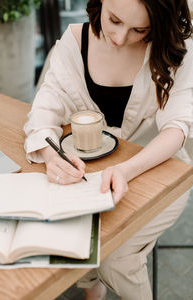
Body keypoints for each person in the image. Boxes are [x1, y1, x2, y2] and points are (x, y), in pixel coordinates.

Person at [24, 0, 193, 299]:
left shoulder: (174, 47)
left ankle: (101, 278)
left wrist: (125, 170)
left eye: (139, 29)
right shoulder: (74, 43)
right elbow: (43, 112)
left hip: (159, 170)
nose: (119, 38)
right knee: (78, 238)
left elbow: (177, 128)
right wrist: (51, 158)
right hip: (92, 175)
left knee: (117, 259)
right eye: (114, 19)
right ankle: (93, 286)